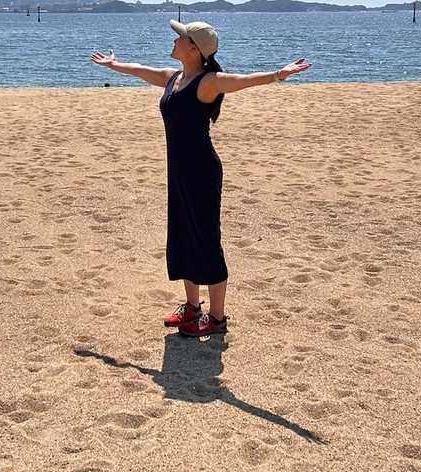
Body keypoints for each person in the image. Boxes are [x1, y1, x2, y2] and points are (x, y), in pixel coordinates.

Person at [91, 20, 311, 336]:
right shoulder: (173, 78)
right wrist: (114, 65)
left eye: (180, 38)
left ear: (193, 48)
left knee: (206, 239)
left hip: (202, 171)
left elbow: (243, 80)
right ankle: (193, 308)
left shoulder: (208, 82)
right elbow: (141, 71)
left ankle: (217, 319)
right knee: (181, 235)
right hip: (178, 170)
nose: (174, 41)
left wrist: (278, 74)